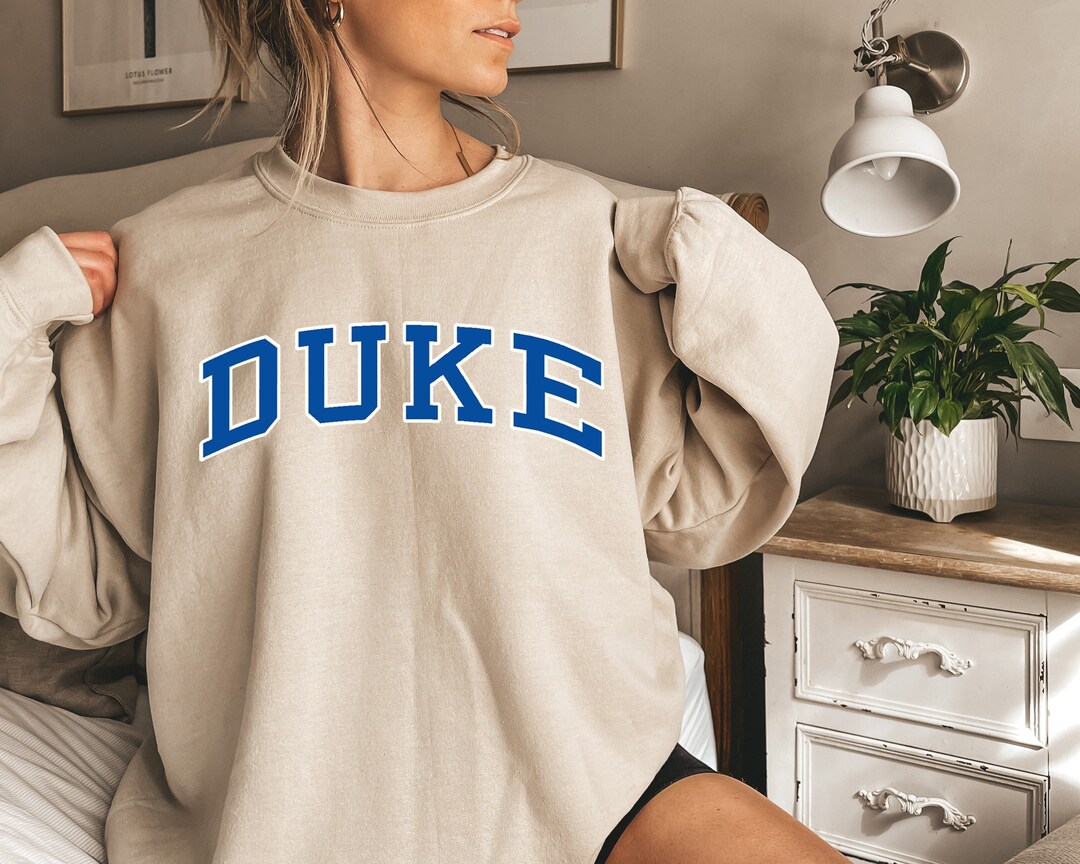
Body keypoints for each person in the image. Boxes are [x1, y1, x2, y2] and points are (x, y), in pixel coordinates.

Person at [0, 1, 846, 862]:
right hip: (285, 821)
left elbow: (706, 513)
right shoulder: (170, 266)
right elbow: (83, 590)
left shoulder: (587, 234)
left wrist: (710, 256)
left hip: (604, 784)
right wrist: (10, 321)